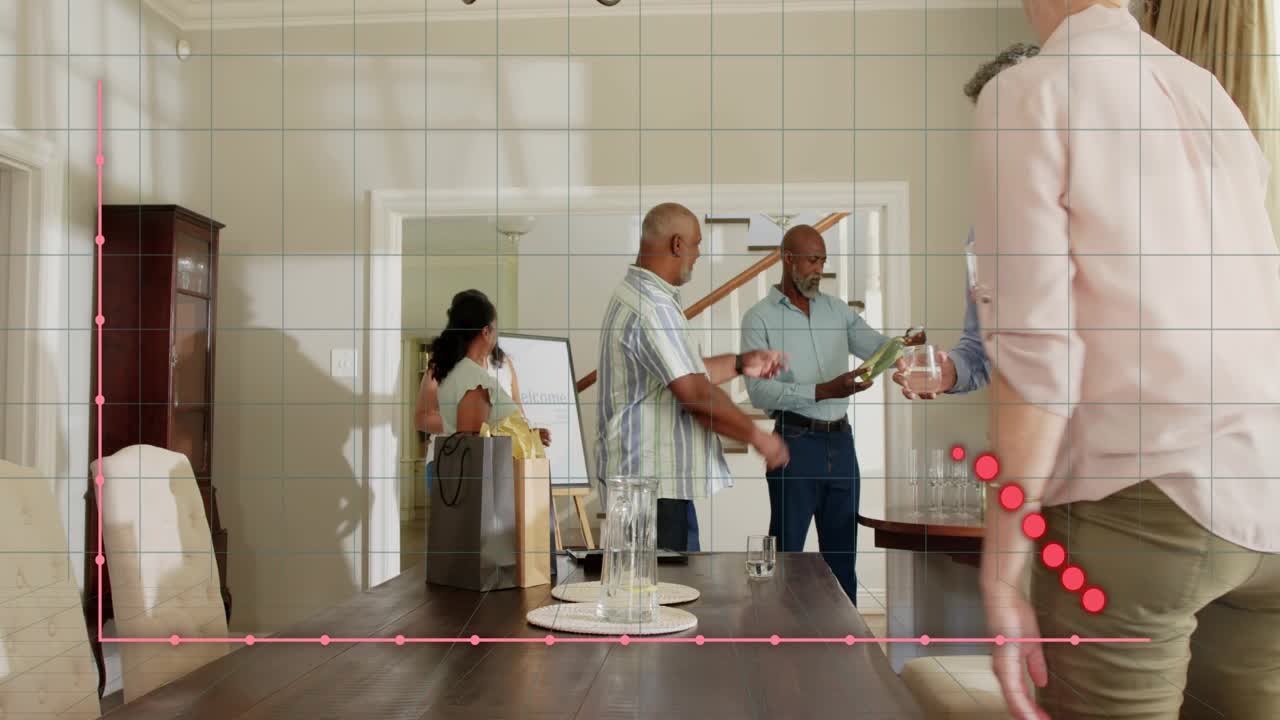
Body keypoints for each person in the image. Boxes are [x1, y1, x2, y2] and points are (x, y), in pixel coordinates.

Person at [975, 2, 1280, 718]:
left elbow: (1039, 355)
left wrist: (1001, 572)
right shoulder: (1211, 93)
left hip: (1147, 506)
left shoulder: (1032, 92)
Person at [740, 224, 924, 604]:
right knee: (787, 557)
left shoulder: (838, 311)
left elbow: (877, 349)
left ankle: (846, 650)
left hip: (841, 444)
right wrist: (824, 390)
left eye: (822, 260)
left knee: (842, 560)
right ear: (787, 259)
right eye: (811, 260)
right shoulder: (759, 319)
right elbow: (759, 392)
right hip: (794, 444)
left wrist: (904, 348)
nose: (818, 268)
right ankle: (780, 647)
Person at [596, 202, 790, 552]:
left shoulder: (645, 297)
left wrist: (741, 363)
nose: (699, 254)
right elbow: (694, 393)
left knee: (663, 598)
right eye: (697, 243)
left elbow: (681, 373)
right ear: (677, 245)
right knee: (666, 599)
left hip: (653, 489)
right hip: (652, 493)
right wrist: (758, 438)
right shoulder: (651, 306)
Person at [890, 43, 1041, 400]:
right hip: (1028, 434)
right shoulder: (986, 231)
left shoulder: (1114, 203)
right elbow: (981, 348)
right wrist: (948, 373)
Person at [427, 290, 551, 444]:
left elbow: (488, 435)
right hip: (487, 467)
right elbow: (474, 448)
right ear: (486, 332)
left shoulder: (458, 372)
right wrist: (523, 437)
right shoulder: (473, 381)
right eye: (495, 328)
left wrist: (528, 436)